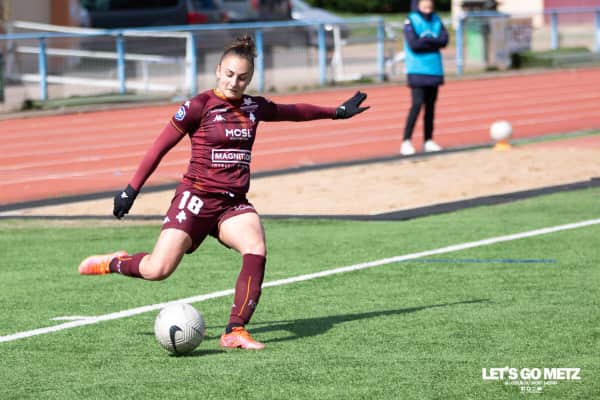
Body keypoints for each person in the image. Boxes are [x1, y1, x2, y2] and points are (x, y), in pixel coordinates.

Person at [77, 35, 369, 350]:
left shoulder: (254, 107)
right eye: (229, 74)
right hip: (196, 197)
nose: (234, 82)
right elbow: (158, 148)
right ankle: (116, 262)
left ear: (250, 79)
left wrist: (337, 111)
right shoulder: (198, 106)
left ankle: (235, 330)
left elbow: (294, 110)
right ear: (218, 70)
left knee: (255, 246)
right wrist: (131, 190)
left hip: (232, 204)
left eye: (242, 77)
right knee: (157, 270)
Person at [401, 0, 449, 156]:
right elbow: (414, 44)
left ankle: (428, 140)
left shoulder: (437, 19)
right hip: (417, 69)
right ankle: (406, 141)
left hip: (434, 69)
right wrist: (433, 42)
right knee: (416, 104)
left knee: (430, 107)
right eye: (425, 4)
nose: (428, 7)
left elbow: (444, 40)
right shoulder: (411, 19)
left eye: (430, 4)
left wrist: (426, 41)